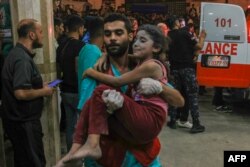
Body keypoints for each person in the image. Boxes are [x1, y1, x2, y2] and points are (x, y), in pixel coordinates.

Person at [55, 13, 184, 167]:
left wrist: (160, 87)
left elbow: (179, 100)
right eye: (107, 34)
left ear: (130, 36)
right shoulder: (99, 68)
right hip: (107, 159)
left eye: (118, 32)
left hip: (143, 157)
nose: (112, 38)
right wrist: (107, 113)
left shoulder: (141, 67)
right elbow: (85, 115)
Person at [1, 19, 54, 167]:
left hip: (18, 123)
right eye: (40, 32)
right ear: (32, 35)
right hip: (24, 123)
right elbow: (20, 93)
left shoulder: (16, 54)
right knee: (34, 162)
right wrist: (44, 91)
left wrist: (39, 86)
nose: (43, 35)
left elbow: (21, 85)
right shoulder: (22, 59)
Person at [167, 16, 206, 133]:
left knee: (175, 94)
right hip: (187, 68)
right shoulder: (185, 33)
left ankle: (173, 120)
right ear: (177, 23)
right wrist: (202, 37)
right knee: (192, 95)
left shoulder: (168, 36)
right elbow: (198, 46)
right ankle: (196, 123)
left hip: (174, 69)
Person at [56, 15, 85, 151]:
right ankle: (79, 156)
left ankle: (70, 154)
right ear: (79, 29)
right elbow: (78, 70)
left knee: (70, 126)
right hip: (77, 92)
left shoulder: (60, 46)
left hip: (65, 91)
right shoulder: (81, 46)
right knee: (81, 126)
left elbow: (58, 70)